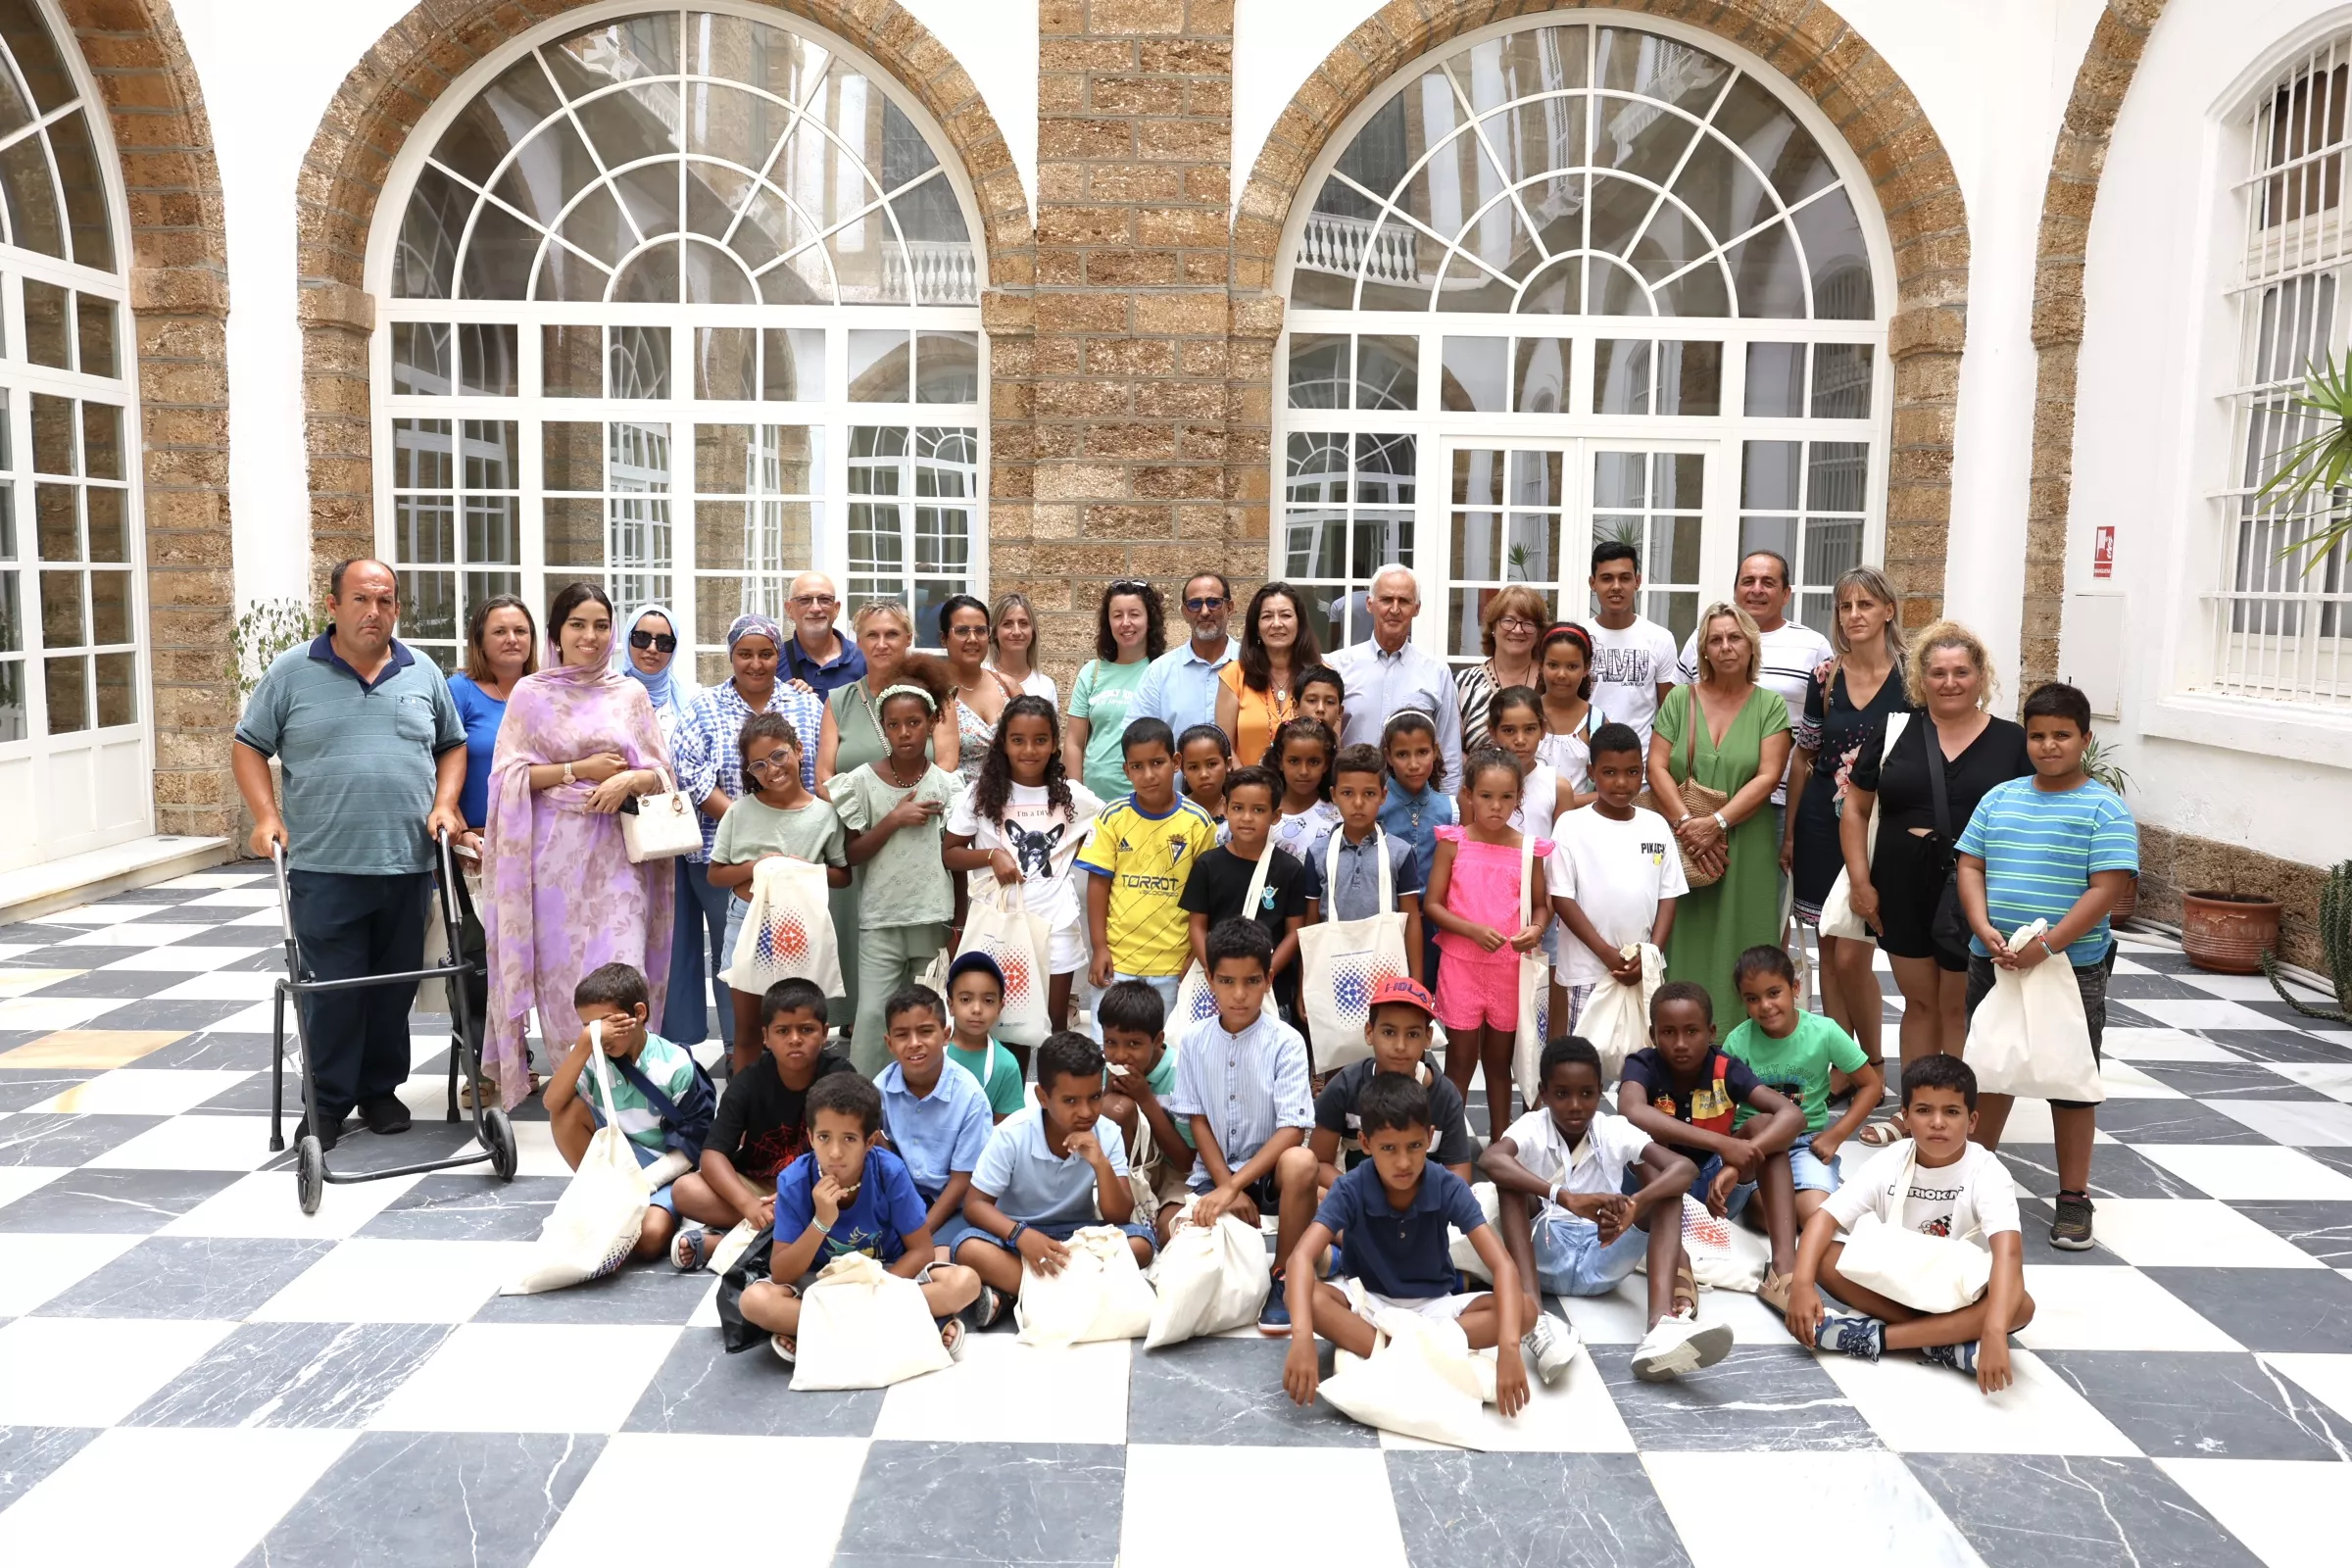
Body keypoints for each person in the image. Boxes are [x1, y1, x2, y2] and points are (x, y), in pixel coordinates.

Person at [232, 559, 467, 1150]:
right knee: (335, 991)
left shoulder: (422, 672)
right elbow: (248, 746)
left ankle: (379, 1090)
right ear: (332, 605)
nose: (375, 612)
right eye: (362, 599)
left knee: (393, 990)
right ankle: (328, 1103)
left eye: (386, 601)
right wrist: (267, 817)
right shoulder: (292, 672)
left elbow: (452, 747)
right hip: (324, 865)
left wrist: (445, 804)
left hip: (407, 864)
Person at [481, 582, 676, 1110]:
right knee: (565, 977)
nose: (589, 636)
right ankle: (581, 1090)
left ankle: (628, 1087)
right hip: (552, 863)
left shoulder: (630, 695)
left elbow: (663, 772)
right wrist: (580, 771)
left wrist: (629, 782)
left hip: (618, 861)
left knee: (622, 964)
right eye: (577, 625)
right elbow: (506, 777)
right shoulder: (531, 694)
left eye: (599, 625)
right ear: (556, 635)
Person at [1957, 681, 2136, 1251]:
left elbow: (2106, 887)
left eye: (2062, 735)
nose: (2049, 746)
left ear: (2085, 738)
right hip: (1996, 960)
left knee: (2071, 1080)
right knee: (1989, 1067)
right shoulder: (2000, 799)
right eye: (2037, 735)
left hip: (2070, 967)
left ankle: (2075, 1197)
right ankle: (1973, 1185)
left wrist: (2050, 943)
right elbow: (1971, 865)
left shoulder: (2103, 807)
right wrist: (1982, 926)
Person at [1280, 1073, 1531, 1416]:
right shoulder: (1350, 1187)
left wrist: (1511, 1349)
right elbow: (1299, 1260)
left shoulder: (1446, 1186)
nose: (1403, 1162)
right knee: (1304, 1296)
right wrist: (1302, 1337)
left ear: (1429, 1138)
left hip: (1436, 1311)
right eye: (1388, 1148)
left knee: (1526, 1310)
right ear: (1366, 1143)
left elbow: (1502, 1265)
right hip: (1370, 1305)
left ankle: (1393, 1355)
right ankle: (1429, 1358)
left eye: (1414, 1146)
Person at [1842, 621, 2032, 1076]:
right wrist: (1860, 881)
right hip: (1900, 887)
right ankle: (1917, 1107)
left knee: (1960, 1003)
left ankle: (1956, 1110)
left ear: (1981, 678)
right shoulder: (1894, 733)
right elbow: (1855, 809)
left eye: (1962, 672)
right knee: (1920, 1002)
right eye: (1938, 673)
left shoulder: (2012, 742)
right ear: (1920, 679)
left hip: (1975, 890)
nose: (1950, 683)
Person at [1482, 1038, 1725, 1382]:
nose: (1576, 1105)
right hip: (1545, 1255)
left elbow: (1683, 1169)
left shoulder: (1614, 1129)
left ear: (1600, 1092)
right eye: (1562, 1094)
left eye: (1587, 1093)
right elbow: (1490, 1159)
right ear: (1544, 1093)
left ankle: (1659, 1327)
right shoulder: (1532, 1126)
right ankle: (1534, 1319)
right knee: (1510, 1184)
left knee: (1668, 1195)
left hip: (1605, 1255)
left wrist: (1635, 1205)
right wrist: (1565, 1197)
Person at [1790, 1055, 2034, 1391]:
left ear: (1972, 1120)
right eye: (1923, 1111)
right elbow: (1823, 1219)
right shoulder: (1892, 1158)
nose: (1937, 1123)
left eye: (1951, 1112)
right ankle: (1946, 1342)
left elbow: (2008, 1254)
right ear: (1905, 1117)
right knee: (1824, 1256)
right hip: (1898, 1280)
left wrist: (1993, 1331)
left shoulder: (1987, 1170)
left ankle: (1876, 1338)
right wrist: (1802, 1284)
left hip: (1959, 1290)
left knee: (2020, 1303)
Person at [734, 1072, 983, 1364]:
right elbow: (782, 1274)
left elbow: (921, 1250)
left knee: (965, 1282)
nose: (835, 1152)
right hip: (820, 1282)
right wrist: (821, 1222)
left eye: (849, 1138)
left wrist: (876, 1290)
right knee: (754, 1302)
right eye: (824, 1137)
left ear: (870, 1141)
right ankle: (909, 1327)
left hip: (888, 1277)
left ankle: (820, 1334)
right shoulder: (793, 1181)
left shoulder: (890, 1172)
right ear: (811, 1137)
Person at [670, 613, 825, 1047]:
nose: (756, 663)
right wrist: (745, 829)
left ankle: (788, 1047)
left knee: (788, 954)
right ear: (731, 656)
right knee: (735, 955)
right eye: (745, 654)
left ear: (779, 655)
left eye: (766, 653)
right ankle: (741, 1050)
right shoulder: (704, 706)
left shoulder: (804, 705)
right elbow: (692, 776)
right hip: (720, 855)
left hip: (795, 856)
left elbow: (812, 775)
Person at [1161, 918, 1318, 1327]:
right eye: (1227, 981)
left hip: (1270, 1174)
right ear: (1209, 978)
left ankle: (1284, 1274)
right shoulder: (1193, 1041)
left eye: (1251, 981)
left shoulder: (1286, 1041)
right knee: (1174, 1238)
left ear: (1268, 979)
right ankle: (1315, 1253)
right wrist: (1224, 1184)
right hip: (1214, 1170)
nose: (1239, 994)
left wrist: (1236, 1185)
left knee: (1302, 1163)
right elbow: (1198, 1120)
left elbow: (1292, 1130)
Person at [1786, 566, 1910, 1074]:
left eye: (1865, 605)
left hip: (1880, 828)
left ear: (1888, 611)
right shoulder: (1826, 675)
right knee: (1826, 952)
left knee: (1852, 956)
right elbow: (1805, 754)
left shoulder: (1914, 677)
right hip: (1820, 823)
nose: (1854, 616)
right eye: (1845, 606)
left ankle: (1872, 1065)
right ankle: (1842, 1067)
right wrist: (1791, 830)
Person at [1649, 603, 1794, 1029]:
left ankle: (1743, 1053)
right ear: (1703, 652)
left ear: (1752, 646)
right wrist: (1686, 825)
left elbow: (1769, 775)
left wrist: (1714, 824)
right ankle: (1681, 1044)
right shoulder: (1680, 699)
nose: (1726, 646)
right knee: (1682, 941)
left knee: (1746, 944)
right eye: (1716, 639)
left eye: (1735, 638)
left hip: (1745, 844)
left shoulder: (1770, 705)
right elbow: (1655, 766)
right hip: (1683, 846)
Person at [818, 601, 959, 1030]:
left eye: (892, 634)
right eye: (872, 635)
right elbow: (823, 774)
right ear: (857, 642)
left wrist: (909, 803)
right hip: (857, 835)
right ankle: (859, 1034)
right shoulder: (840, 699)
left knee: (919, 974)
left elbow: (948, 765)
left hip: (921, 839)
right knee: (861, 949)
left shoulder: (936, 699)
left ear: (909, 639)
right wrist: (866, 811)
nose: (882, 644)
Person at [955, 1030, 1156, 1322]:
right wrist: (1020, 1235)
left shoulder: (1107, 1132)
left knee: (1141, 1243)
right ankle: (1081, 1292)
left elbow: (1120, 1215)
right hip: (1017, 1236)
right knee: (968, 1248)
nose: (1086, 1111)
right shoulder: (1013, 1134)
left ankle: (1019, 1293)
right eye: (1071, 1101)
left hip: (1079, 1237)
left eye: (1095, 1097)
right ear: (1043, 1097)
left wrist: (1100, 1162)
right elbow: (975, 1205)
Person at [1723, 945, 1883, 1306]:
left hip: (1806, 1143)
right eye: (1752, 998)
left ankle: (1824, 1241)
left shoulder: (1823, 1032)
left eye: (1774, 993)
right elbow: (1726, 1105)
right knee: (1765, 1216)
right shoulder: (1738, 1041)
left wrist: (1837, 1135)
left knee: (1813, 1215)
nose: (1765, 1006)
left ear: (1795, 989)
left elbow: (1871, 1085)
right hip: (1755, 1144)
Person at [945, 695, 1102, 1034]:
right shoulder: (980, 795)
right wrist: (991, 856)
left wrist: (1063, 862)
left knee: (1054, 1026)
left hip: (1056, 924)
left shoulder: (1075, 797)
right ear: (1003, 743)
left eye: (1040, 740)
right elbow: (950, 853)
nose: (1029, 750)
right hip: (1001, 927)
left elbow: (1104, 831)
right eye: (1018, 740)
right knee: (1008, 1028)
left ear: (1054, 745)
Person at [706, 714, 849, 1072]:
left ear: (799, 751)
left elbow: (842, 875)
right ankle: (745, 1117)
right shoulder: (739, 813)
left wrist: (803, 868)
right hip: (748, 923)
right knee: (749, 1029)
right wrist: (759, 864)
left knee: (803, 1024)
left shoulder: (825, 815)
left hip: (801, 928)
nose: (771, 769)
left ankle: (804, 1114)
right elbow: (716, 874)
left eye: (779, 756)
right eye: (758, 764)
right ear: (749, 772)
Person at [1617, 984, 1806, 1251]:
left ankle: (1784, 1269)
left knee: (1765, 1127)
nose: (1681, 1044)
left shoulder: (1725, 1068)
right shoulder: (1643, 1063)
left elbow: (1793, 1115)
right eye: (1669, 1032)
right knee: (1642, 1134)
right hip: (1653, 1192)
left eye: (1692, 1031)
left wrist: (1738, 1162)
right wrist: (1723, 1144)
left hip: (1716, 1193)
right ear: (1653, 1035)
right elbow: (1631, 1110)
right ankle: (1676, 1257)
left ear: (1711, 1032)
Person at [543, 962, 710, 1265]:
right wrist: (583, 1045)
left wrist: (641, 1185)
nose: (600, 1034)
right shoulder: (590, 1053)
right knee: (567, 1114)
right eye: (588, 1026)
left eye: (606, 1023)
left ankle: (666, 1211)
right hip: (620, 1154)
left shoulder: (674, 1065)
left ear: (639, 1013)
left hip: (665, 1166)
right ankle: (602, 1195)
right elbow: (553, 1104)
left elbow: (693, 1144)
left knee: (648, 1240)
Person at [1425, 749, 1553, 1140]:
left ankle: (1501, 1143)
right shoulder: (1454, 843)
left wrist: (1536, 929)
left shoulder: (1529, 849)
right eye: (1485, 797)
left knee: (1499, 1062)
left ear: (1520, 798)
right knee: (1460, 1060)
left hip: (1508, 971)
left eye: (1506, 798)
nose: (1496, 807)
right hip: (1461, 965)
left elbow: (1541, 906)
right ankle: (1447, 1143)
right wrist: (1472, 931)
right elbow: (1432, 904)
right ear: (1468, 795)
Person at [673, 977, 855, 1246]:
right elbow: (712, 1155)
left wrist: (811, 1193)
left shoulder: (840, 1077)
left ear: (825, 1032)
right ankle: (782, 1226)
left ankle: (751, 1238)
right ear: (766, 1037)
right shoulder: (749, 1081)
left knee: (857, 1186)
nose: (795, 1040)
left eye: (806, 1030)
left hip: (819, 1187)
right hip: (759, 1188)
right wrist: (748, 1204)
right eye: (782, 1031)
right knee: (685, 1190)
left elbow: (859, 1149)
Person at [446, 593, 536, 1105]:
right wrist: (460, 832)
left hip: (535, 846)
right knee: (479, 960)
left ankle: (521, 1059)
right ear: (480, 639)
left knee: (531, 956)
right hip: (473, 846)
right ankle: (481, 1069)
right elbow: (440, 766)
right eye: (499, 631)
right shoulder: (459, 692)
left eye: (520, 631)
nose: (511, 640)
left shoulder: (544, 690)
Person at [1673, 552, 1834, 829]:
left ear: (1786, 594)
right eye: (1748, 581)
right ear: (1736, 590)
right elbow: (1676, 710)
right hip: (1700, 801)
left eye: (1768, 582)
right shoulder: (1702, 639)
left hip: (1780, 801)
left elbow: (1826, 725)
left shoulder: (1814, 646)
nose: (1756, 589)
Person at [1548, 721, 1685, 1035]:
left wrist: (1653, 954)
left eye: (1633, 772)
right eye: (1609, 772)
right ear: (1591, 771)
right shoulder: (1571, 825)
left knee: (1641, 1062)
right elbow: (1562, 898)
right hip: (1587, 969)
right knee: (1586, 1063)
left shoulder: (1657, 825)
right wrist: (1607, 954)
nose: (1622, 782)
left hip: (1644, 971)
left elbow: (1668, 896)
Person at [1079, 718, 1219, 1009]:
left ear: (1176, 761)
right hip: (1118, 962)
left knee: (1167, 1049)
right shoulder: (1111, 818)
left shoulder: (1198, 822)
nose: (1148, 775)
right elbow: (1098, 886)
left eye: (1157, 762)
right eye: (1137, 767)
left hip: (1173, 964)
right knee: (1110, 1050)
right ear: (1126, 770)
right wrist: (1100, 947)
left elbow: (1208, 897)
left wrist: (1195, 956)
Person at [1308, 977, 1471, 1192]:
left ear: (1428, 1037)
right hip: (1359, 1197)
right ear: (1369, 1033)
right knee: (1311, 1190)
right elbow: (1318, 1162)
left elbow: (1459, 1173)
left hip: (1422, 1204)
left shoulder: (1445, 1096)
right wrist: (1364, 1194)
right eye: (1389, 1032)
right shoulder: (1346, 1086)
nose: (1400, 1046)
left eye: (1413, 1034)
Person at [872, 984, 993, 1255]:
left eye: (926, 1031)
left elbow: (963, 1181)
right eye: (902, 1035)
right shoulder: (880, 1089)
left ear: (946, 1035)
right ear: (889, 1043)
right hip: (901, 1200)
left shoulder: (969, 1096)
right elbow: (877, 1153)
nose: (914, 1043)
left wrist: (922, 1232)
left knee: (933, 1259)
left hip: (952, 1206)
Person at [1180, 764, 1310, 1015]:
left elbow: (1294, 933)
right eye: (1238, 808)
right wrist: (1217, 972)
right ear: (1226, 809)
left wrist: (1262, 974)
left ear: (1276, 815)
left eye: (1258, 810)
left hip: (1270, 988)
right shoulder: (1208, 865)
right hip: (1214, 987)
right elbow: (1197, 926)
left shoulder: (1290, 869)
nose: (1247, 817)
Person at [1325, 565, 1464, 791]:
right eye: (1386, 599)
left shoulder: (1436, 671)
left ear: (1416, 608)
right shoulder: (1338, 666)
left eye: (1404, 601)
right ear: (1370, 604)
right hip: (1351, 802)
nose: (1395, 609)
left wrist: (1447, 809)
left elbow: (1449, 751)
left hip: (1415, 808)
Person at [1300, 746, 1426, 984]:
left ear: (1383, 795)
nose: (1358, 803)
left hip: (1387, 969)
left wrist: (1416, 983)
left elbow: (1412, 920)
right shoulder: (1318, 853)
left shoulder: (1400, 852)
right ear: (1334, 795)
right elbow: (1311, 925)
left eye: (1369, 794)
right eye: (1347, 793)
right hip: (1332, 973)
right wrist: (1306, 984)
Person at [1097, 979, 1195, 1242]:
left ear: (1158, 1040)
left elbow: (1186, 1161)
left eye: (1133, 1044)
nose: (1120, 1055)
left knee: (1169, 1231)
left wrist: (1145, 1098)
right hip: (1132, 1170)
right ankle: (1125, 1200)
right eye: (1110, 1042)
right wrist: (1109, 1090)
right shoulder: (1110, 1066)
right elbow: (1101, 1122)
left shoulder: (1180, 1074)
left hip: (1176, 1173)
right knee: (1116, 1108)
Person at [1065, 578, 1166, 803]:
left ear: (1149, 620)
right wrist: (1077, 798)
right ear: (1108, 622)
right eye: (1117, 615)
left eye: (1135, 614)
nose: (1126, 623)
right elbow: (1073, 741)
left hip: (1146, 802)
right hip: (1094, 802)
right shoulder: (1092, 672)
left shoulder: (1162, 671)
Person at [1379, 711, 1456, 990]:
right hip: (1386, 923)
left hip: (1436, 926)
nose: (1413, 764)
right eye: (1402, 755)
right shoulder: (1376, 805)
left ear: (1435, 751)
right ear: (1388, 756)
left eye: (1422, 752)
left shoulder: (1450, 809)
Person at [1583, 541, 1680, 750]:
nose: (1616, 586)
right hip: (1583, 761)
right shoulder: (1580, 638)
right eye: (1607, 578)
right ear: (1592, 583)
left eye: (1625, 578)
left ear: (1637, 581)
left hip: (1641, 768)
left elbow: (1671, 714)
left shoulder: (1660, 638)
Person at [1217, 580, 1319, 767]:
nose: (1277, 624)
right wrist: (1248, 788)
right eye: (1267, 616)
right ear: (1256, 626)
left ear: (1300, 623)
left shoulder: (1321, 675)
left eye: (1286, 615)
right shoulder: (1234, 675)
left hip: (1307, 793)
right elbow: (1224, 748)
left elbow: (1332, 744)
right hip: (1247, 791)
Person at [1134, 570, 1239, 741]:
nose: (1204, 611)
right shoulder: (1159, 672)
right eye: (1195, 604)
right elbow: (1138, 739)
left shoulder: (1253, 664)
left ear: (1230, 607)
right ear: (1184, 612)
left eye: (1213, 602)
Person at [939, 593, 1021, 787]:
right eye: (961, 631)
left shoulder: (1008, 687)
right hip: (956, 807)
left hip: (1008, 804)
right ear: (944, 638)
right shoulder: (933, 691)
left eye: (980, 631)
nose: (973, 639)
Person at [1456, 583, 1547, 754]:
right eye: (1508, 621)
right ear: (1492, 627)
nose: (1518, 630)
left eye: (1528, 623)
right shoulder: (1463, 684)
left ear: (1539, 632)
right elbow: (1452, 749)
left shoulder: (1552, 680)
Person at [945, 952, 1028, 1116]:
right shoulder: (933, 1054)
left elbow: (1007, 1126)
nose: (976, 1009)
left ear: (1000, 1007)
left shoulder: (1006, 1065)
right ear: (950, 1005)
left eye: (988, 1001)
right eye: (966, 999)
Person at [1535, 621, 1607, 802]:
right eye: (1553, 665)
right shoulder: (1525, 713)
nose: (1561, 674)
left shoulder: (1596, 721)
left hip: (1577, 825)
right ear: (1541, 665)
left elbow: (1610, 789)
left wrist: (1563, 803)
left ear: (1586, 668)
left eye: (1572, 666)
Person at [1266, 715, 1342, 861]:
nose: (1304, 771)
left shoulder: (1337, 817)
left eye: (1314, 762)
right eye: (1294, 761)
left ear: (1326, 764)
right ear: (1280, 761)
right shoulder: (1264, 813)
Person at [780, 571, 866, 695]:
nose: (815, 609)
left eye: (824, 600)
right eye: (804, 600)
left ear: (836, 608)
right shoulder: (773, 662)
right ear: (789, 609)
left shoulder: (863, 661)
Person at [986, 590, 1056, 708]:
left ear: (1033, 631)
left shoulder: (1045, 686)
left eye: (1023, 623)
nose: (1017, 632)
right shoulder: (982, 677)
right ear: (994, 632)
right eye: (1007, 624)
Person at [1177, 723, 1231, 832]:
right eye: (1193, 767)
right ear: (1183, 770)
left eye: (1212, 764)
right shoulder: (1175, 814)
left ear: (1228, 764)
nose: (1204, 774)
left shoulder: (1240, 812)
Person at [1297, 665, 1346, 736]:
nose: (1320, 709)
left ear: (1340, 712)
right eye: (1312, 700)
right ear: (1296, 707)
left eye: (1330, 702)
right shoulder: (1284, 746)